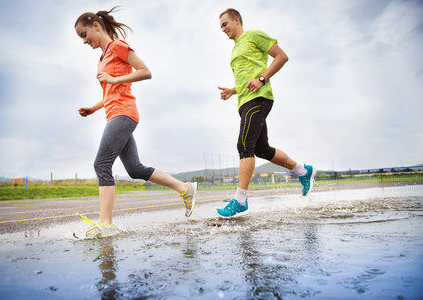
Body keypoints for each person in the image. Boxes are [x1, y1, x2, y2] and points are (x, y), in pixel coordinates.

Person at [73, 7, 197, 238]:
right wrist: (93, 107)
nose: (84, 40)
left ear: (96, 26)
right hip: (114, 113)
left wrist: (114, 78)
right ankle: (185, 188)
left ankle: (105, 224)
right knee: (134, 168)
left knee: (101, 164)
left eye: (84, 34)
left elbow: (145, 71)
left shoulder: (117, 47)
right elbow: (112, 91)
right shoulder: (102, 58)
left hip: (124, 113)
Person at [217, 8, 316, 218]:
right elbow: (246, 79)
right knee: (261, 149)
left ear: (237, 20)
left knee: (244, 145)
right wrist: (232, 91)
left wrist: (262, 79)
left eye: (225, 24)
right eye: (221, 27)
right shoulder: (235, 49)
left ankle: (240, 200)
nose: (223, 29)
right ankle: (302, 171)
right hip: (244, 101)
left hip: (259, 98)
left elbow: (282, 56)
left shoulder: (254, 36)